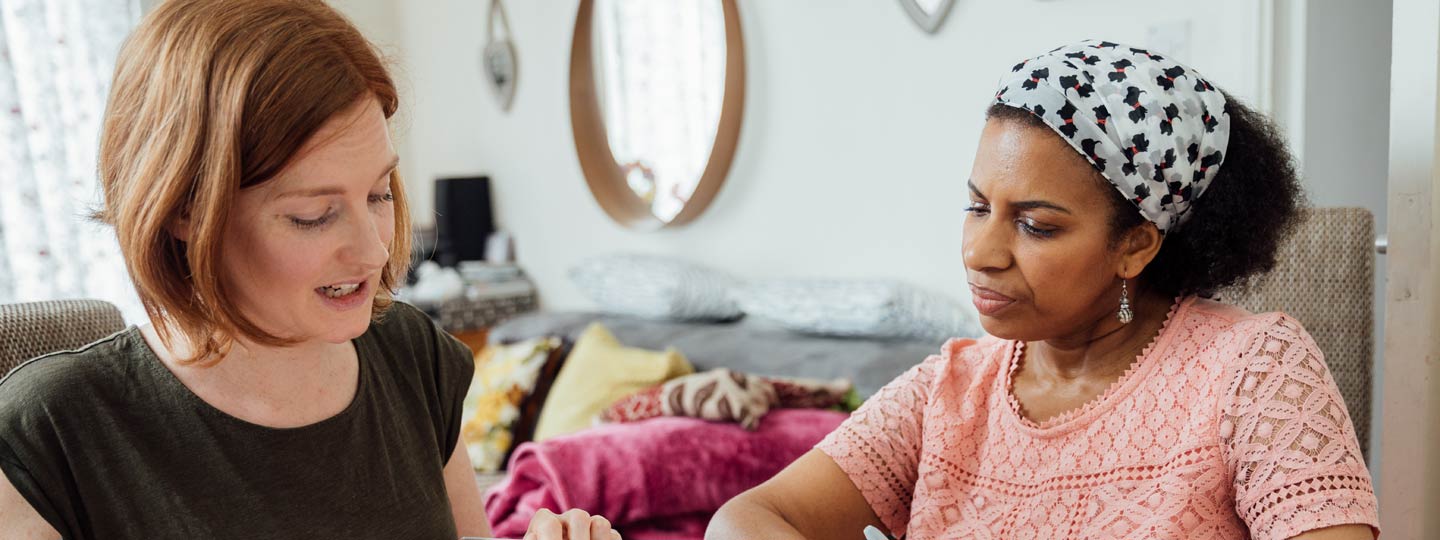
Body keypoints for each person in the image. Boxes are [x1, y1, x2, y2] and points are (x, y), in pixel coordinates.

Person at [708, 40, 1379, 540]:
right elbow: (749, 517)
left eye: (1035, 225)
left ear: (1136, 244)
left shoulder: (1251, 367)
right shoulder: (950, 389)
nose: (980, 251)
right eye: (977, 208)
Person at [0, 1, 613, 538]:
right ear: (183, 208)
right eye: (314, 215)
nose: (373, 253)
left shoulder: (411, 356)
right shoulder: (48, 434)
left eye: (378, 195)